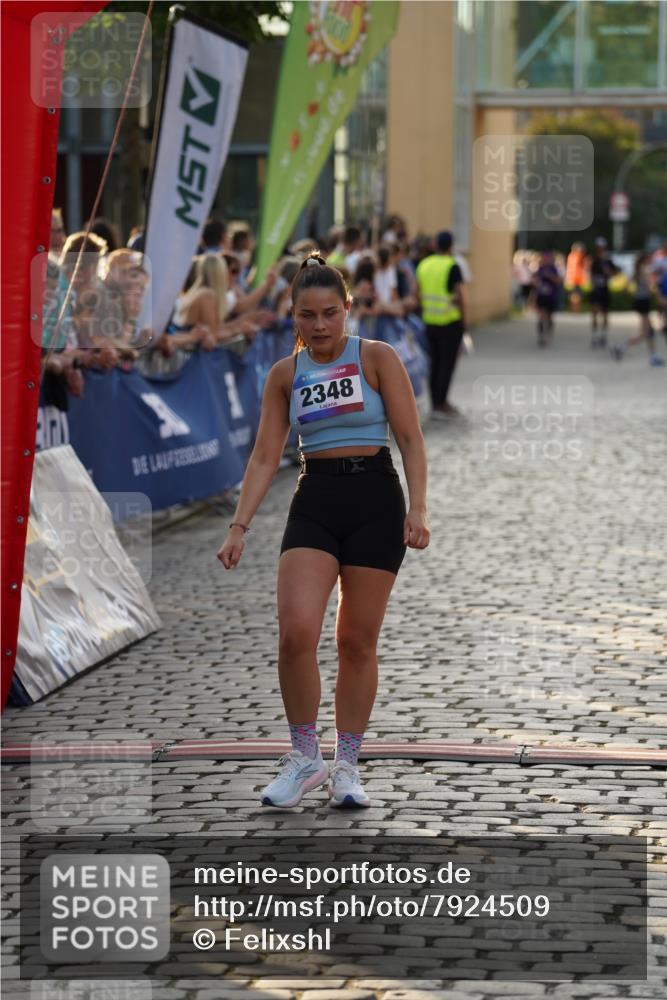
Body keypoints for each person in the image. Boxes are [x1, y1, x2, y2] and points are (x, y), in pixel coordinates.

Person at [217, 253, 429, 809]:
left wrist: (419, 509)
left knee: (356, 641)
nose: (319, 326)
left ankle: (348, 766)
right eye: (307, 315)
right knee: (297, 633)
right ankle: (304, 755)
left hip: (376, 500)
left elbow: (410, 438)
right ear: (292, 316)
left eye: (330, 313)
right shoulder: (285, 375)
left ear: (348, 311)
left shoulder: (377, 358)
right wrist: (240, 525)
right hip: (316, 499)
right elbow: (265, 456)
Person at [415, 230, 465, 418]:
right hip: (450, 322)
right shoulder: (453, 266)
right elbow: (460, 295)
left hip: (429, 322)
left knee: (434, 363)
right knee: (447, 364)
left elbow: (416, 292)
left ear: (436, 245)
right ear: (451, 246)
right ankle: (441, 403)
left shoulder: (424, 264)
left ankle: (435, 401)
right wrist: (464, 322)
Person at [611, 253, 665, 366]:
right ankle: (622, 348)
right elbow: (650, 288)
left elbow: (626, 287)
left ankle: (652, 356)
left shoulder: (636, 271)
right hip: (644, 302)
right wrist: (659, 297)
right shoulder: (644, 271)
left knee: (648, 331)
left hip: (639, 301)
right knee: (646, 332)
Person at [589, 237, 618, 348]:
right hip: (596, 290)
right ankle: (595, 337)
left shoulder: (608, 260)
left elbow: (615, 272)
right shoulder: (594, 260)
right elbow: (591, 275)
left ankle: (603, 336)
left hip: (604, 290)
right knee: (595, 313)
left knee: (605, 314)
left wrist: (609, 272)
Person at [532, 250, 562, 347]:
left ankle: (548, 333)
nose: (546, 260)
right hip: (541, 296)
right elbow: (535, 282)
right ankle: (541, 336)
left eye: (548, 258)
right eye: (545, 258)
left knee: (549, 317)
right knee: (541, 316)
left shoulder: (554, 269)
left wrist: (550, 276)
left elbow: (559, 281)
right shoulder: (540, 269)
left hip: (551, 297)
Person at [564, 241, 587, 313]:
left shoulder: (570, 256)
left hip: (573, 278)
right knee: (576, 295)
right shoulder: (577, 256)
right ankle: (576, 310)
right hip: (576, 279)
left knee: (575, 295)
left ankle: (575, 309)